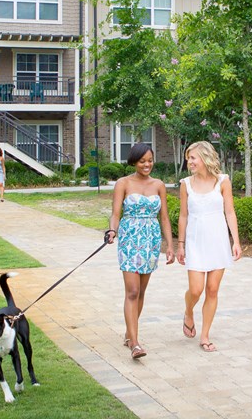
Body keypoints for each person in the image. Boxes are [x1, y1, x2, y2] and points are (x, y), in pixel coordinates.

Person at [108, 143, 174, 360]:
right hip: (129, 239)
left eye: (150, 160)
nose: (147, 164)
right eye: (142, 161)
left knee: (142, 291)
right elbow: (116, 213)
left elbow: (164, 217)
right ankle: (135, 344)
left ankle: (129, 333)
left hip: (151, 240)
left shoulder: (159, 185)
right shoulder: (123, 183)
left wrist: (170, 246)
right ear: (134, 162)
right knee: (133, 291)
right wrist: (112, 230)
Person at [176, 141, 241, 353]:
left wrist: (236, 241)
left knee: (212, 290)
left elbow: (230, 212)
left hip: (218, 241)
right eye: (188, 158)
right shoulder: (185, 184)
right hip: (195, 241)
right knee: (196, 290)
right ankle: (188, 311)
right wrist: (181, 244)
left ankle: (204, 336)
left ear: (205, 158)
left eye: (193, 157)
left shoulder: (223, 181)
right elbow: (183, 215)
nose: (189, 162)